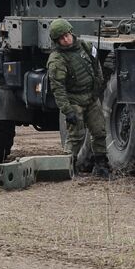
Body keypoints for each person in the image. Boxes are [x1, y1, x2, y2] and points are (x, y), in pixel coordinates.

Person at [46, 18, 109, 176]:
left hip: (91, 98)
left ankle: (101, 166)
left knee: (100, 131)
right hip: (74, 100)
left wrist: (97, 89)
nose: (66, 39)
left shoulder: (85, 47)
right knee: (76, 136)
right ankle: (68, 167)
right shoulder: (57, 60)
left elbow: (97, 67)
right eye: (61, 38)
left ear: (71, 32)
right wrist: (68, 111)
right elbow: (58, 88)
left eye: (67, 35)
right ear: (57, 41)